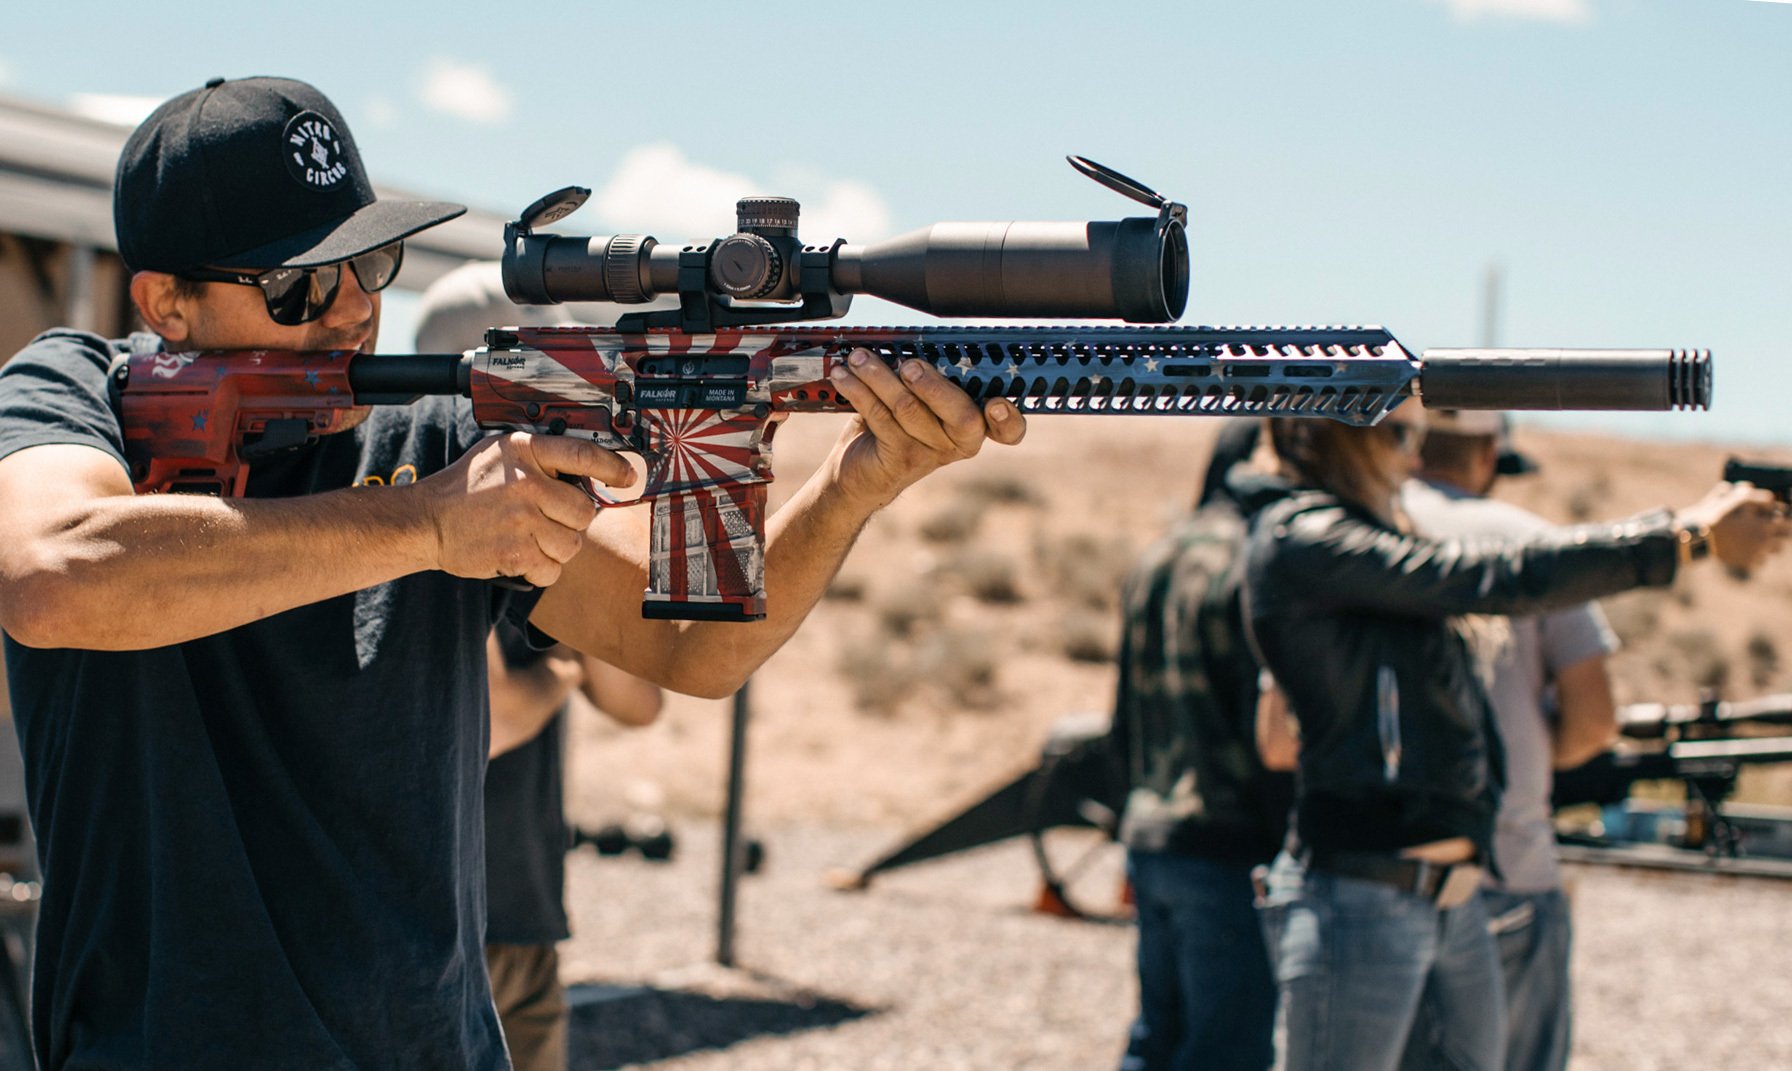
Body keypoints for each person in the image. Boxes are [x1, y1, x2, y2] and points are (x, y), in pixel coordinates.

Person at [0, 76, 1025, 1070]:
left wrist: (850, 485)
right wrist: (425, 524)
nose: (354, 309)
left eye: (372, 262)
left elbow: (693, 650)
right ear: (165, 304)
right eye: (298, 285)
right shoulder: (72, 391)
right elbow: (52, 576)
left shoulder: (439, 433)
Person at [1244, 403, 1785, 1071]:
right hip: (1365, 891)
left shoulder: (1362, 540)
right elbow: (1496, 576)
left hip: (1448, 893)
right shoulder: (1308, 537)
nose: (1412, 455)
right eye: (1398, 432)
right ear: (1343, 439)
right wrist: (1684, 537)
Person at [417, 260, 667, 1071]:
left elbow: (638, 702)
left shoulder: (541, 519)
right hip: (440, 926)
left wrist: (588, 555)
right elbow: (495, 718)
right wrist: (562, 672)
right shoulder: (421, 514)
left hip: (521, 914)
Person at [1401, 411, 1617, 1071]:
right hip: (1508, 864)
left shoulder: (1359, 532)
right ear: (1489, 452)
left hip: (1378, 872)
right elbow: (1593, 718)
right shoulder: (1532, 543)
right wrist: (1530, 755)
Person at [1110, 420, 1293, 1071]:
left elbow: (1121, 714)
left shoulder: (1158, 554)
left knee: (1155, 1038)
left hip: (1150, 833)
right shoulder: (1253, 559)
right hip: (1228, 844)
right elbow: (1263, 725)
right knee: (1226, 1050)